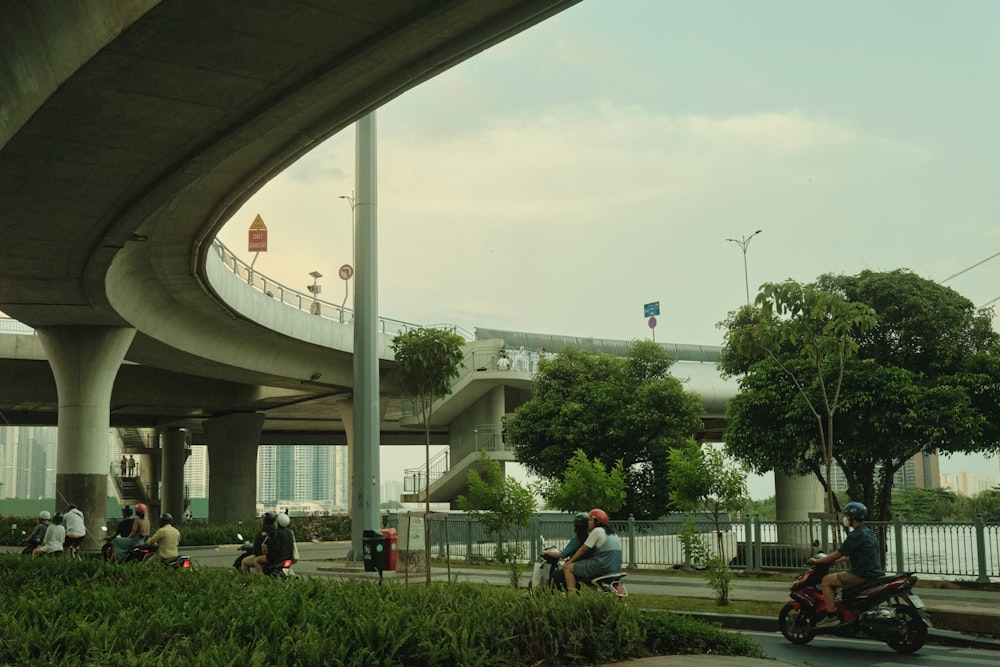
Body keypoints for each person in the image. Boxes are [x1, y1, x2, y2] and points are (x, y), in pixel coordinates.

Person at [810, 501, 884, 628]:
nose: (845, 518)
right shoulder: (867, 531)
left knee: (826, 580)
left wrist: (817, 561)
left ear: (851, 517)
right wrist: (834, 561)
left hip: (861, 574)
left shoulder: (855, 535)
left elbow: (838, 553)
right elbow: (849, 554)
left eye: (846, 515)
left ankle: (831, 616)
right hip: (874, 573)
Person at [564, 508, 623, 593]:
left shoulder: (597, 531)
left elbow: (584, 548)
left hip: (602, 566)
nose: (588, 522)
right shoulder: (613, 533)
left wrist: (570, 561)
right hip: (615, 568)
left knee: (568, 568)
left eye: (590, 520)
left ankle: (571, 595)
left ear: (597, 521)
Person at [541, 512, 592, 589]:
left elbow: (562, 554)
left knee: (555, 576)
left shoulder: (577, 539)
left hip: (578, 567)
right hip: (588, 566)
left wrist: (545, 552)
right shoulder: (591, 536)